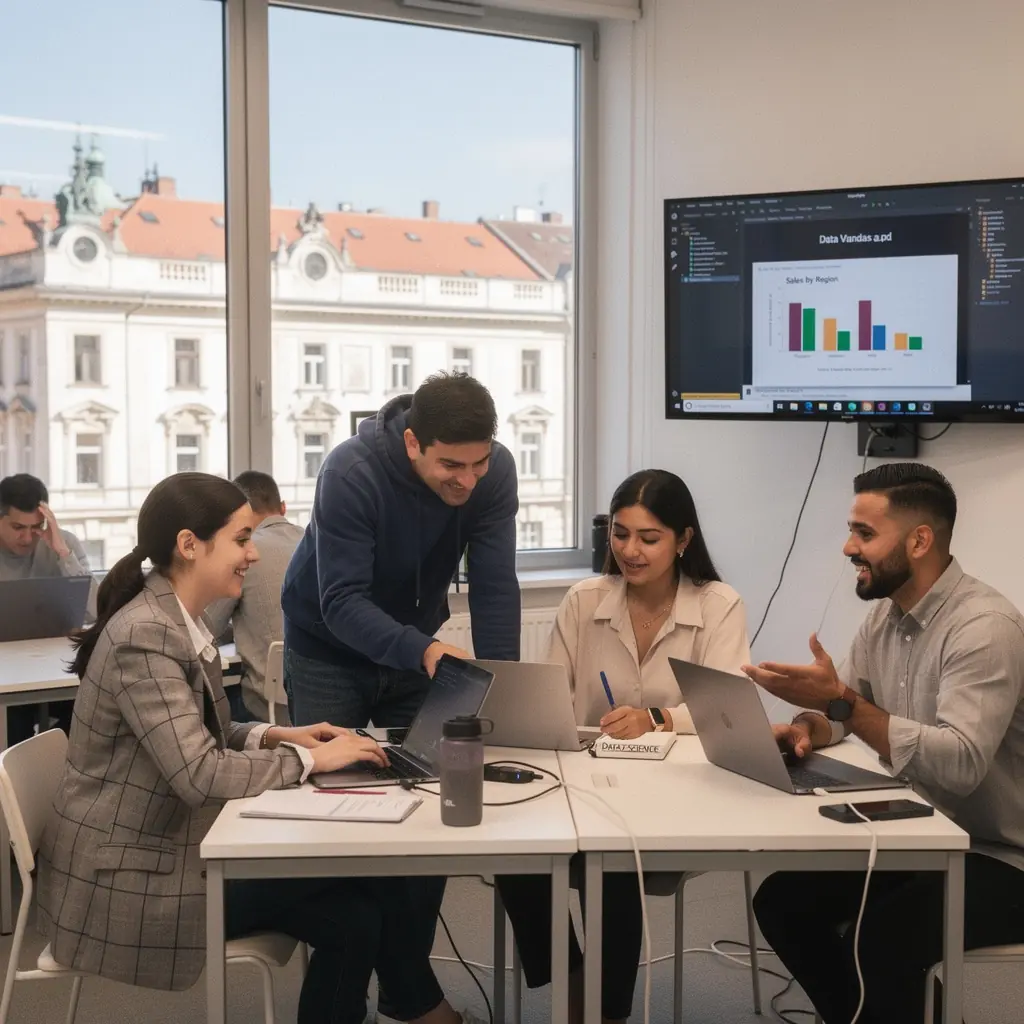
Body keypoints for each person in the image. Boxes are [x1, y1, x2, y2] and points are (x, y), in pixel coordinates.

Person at [36, 472, 483, 1024]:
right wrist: (313, 760)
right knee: (370, 875)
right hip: (134, 884)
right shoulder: (145, 636)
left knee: (356, 919)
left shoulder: (174, 618)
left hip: (158, 851)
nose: (253, 554)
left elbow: (203, 736)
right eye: (242, 539)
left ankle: (416, 1004)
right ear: (189, 545)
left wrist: (282, 735)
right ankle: (420, 1005)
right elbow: (198, 774)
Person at [744, 463, 1024, 1024]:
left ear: (920, 540)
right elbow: (845, 714)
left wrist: (841, 702)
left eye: (865, 534)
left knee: (883, 939)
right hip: (922, 835)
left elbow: (960, 763)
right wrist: (806, 728)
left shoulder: (984, 628)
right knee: (781, 902)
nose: (849, 547)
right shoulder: (884, 620)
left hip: (1000, 855)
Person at [281, 372, 520, 1024]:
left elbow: (496, 587)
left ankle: (406, 991)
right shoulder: (351, 472)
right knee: (343, 820)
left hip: (416, 646)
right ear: (412, 442)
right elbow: (341, 603)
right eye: (451, 464)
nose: (467, 479)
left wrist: (504, 683)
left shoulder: (491, 474)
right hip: (327, 648)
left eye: (479, 462)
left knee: (431, 811)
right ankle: (346, 1000)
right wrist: (424, 651)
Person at [498, 469, 750, 1024]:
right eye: (620, 534)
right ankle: (572, 983)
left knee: (609, 865)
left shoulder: (717, 605)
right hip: (589, 780)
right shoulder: (585, 600)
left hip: (679, 791)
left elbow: (729, 709)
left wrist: (658, 717)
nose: (630, 551)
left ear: (683, 540)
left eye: (649, 538)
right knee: (515, 851)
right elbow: (549, 694)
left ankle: (602, 1011)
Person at [0, 473, 97, 743]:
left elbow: (96, 611)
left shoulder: (61, 543)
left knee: (86, 714)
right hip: (6, 673)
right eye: (18, 527)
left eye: (36, 526)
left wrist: (63, 554)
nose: (28, 537)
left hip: (57, 670)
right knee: (12, 729)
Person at [206, 470, 304, 724]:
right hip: (324, 702)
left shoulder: (242, 554)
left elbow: (208, 629)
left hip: (269, 709)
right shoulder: (314, 540)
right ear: (282, 507)